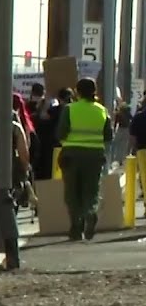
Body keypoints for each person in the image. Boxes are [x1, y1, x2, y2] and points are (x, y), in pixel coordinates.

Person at [55, 77, 112, 241]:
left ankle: (75, 226)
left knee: (72, 192)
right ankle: (90, 213)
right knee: (91, 191)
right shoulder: (102, 110)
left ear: (77, 92)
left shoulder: (69, 109)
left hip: (71, 155)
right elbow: (108, 136)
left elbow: (60, 133)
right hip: (95, 156)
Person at [26, 83, 56, 180]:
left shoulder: (26, 106)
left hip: (30, 142)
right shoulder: (50, 107)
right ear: (43, 92)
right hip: (46, 144)